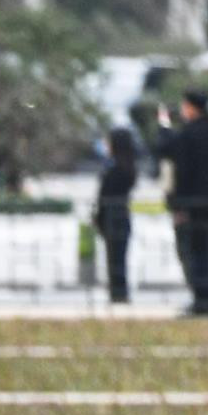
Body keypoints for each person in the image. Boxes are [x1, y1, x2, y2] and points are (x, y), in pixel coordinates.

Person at [156, 90, 208, 317]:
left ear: (191, 107)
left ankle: (202, 300)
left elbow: (176, 164)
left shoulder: (188, 135)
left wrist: (163, 125)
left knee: (199, 254)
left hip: (196, 206)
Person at [94, 126, 137, 305]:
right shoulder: (128, 166)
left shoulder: (114, 167)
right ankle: (118, 291)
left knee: (115, 257)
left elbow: (105, 193)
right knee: (118, 256)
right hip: (122, 214)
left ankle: (118, 293)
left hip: (113, 214)